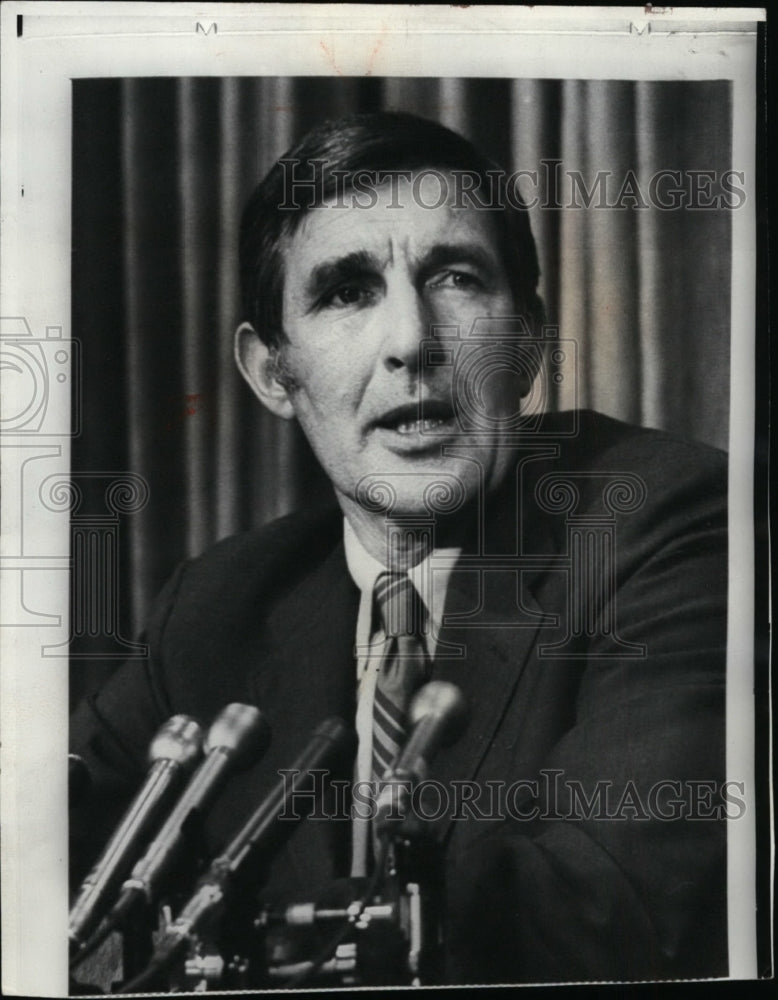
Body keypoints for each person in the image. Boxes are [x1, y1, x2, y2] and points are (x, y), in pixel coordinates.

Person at [69, 112, 728, 986]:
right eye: (347, 292)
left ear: (527, 336)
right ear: (273, 372)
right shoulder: (218, 607)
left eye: (455, 278)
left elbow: (599, 914)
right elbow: (36, 864)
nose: (412, 342)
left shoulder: (669, 521)